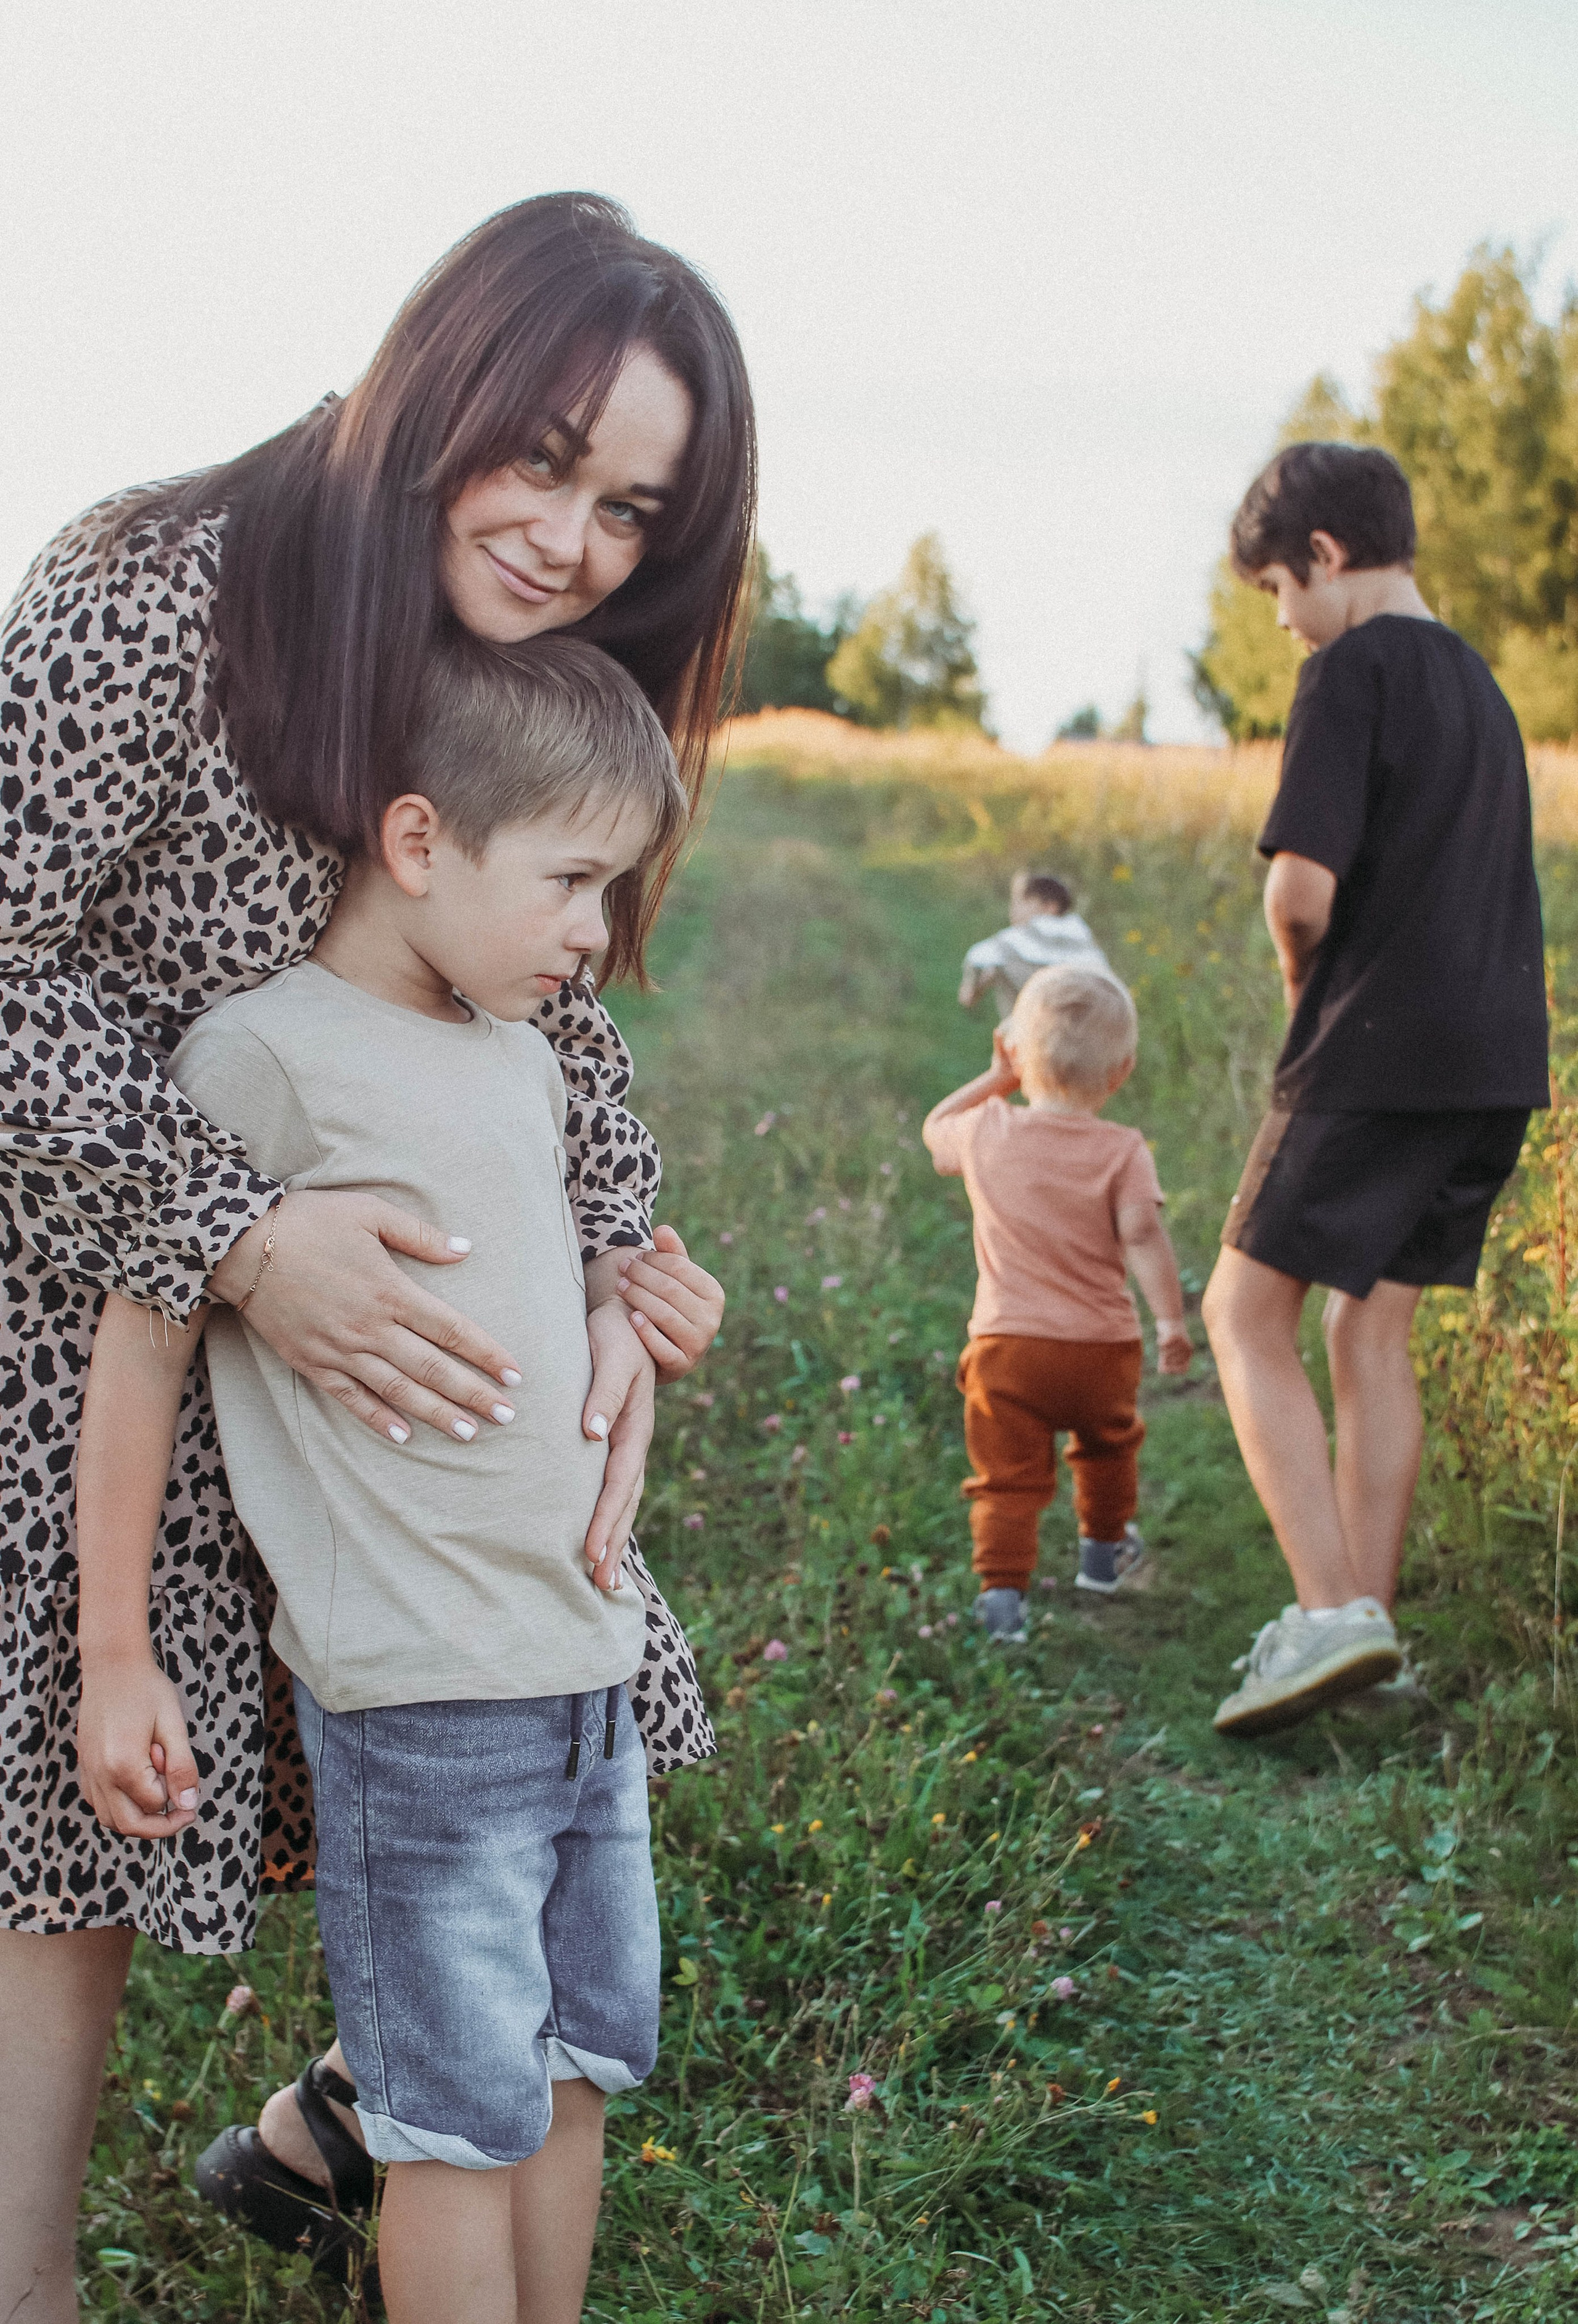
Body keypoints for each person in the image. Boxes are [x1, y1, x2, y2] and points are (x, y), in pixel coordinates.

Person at [0, 191, 753, 2318]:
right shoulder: (160, 582)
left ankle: (368, 2115)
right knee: (76, 1801)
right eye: (541, 454)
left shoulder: (498, 664)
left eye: (630, 506)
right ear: (439, 379)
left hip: (393, 1332)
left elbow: (552, 1000)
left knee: (508, 1705)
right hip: (85, 1273)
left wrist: (620, 1251)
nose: (569, 536)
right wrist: (237, 1237)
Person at [78, 635, 683, 2324]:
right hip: (419, 1703)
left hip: (586, 1673)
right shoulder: (267, 1057)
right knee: (445, 2126)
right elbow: (145, 1348)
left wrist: (637, 1294)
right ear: (418, 843)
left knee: (573, 2081)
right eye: (571, 881)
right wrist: (115, 1651)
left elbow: (555, 1286)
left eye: (612, 888)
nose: (592, 931)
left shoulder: (528, 1053)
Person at [1201, 441, 1548, 1740]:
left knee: (1240, 1310)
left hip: (1376, 1045)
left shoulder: (1347, 669)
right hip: (1496, 1058)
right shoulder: (1478, 683)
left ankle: (1328, 1615)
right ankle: (1370, 1640)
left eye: (1277, 592)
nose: (1282, 622)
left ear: (1326, 558)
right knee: (1367, 1331)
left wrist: (1301, 992)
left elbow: (1298, 890)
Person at [923, 965, 1192, 1638]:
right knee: (1108, 1446)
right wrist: (1169, 1322)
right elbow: (1143, 1235)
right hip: (1102, 1347)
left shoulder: (985, 1129)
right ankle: (1101, 1556)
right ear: (1121, 1071)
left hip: (1006, 1348)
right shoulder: (1124, 1149)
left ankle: (1003, 1598)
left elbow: (935, 1131)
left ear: (1015, 1051)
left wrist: (995, 1077)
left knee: (1007, 1478)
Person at [957, 869, 1112, 1018]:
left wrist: (971, 988)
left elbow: (977, 956)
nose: (1012, 910)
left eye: (1020, 902)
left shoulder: (1025, 934)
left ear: (1050, 907)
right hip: (1090, 1014)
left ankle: (1013, 1033)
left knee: (1001, 966)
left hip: (1041, 1021)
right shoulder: (1080, 931)